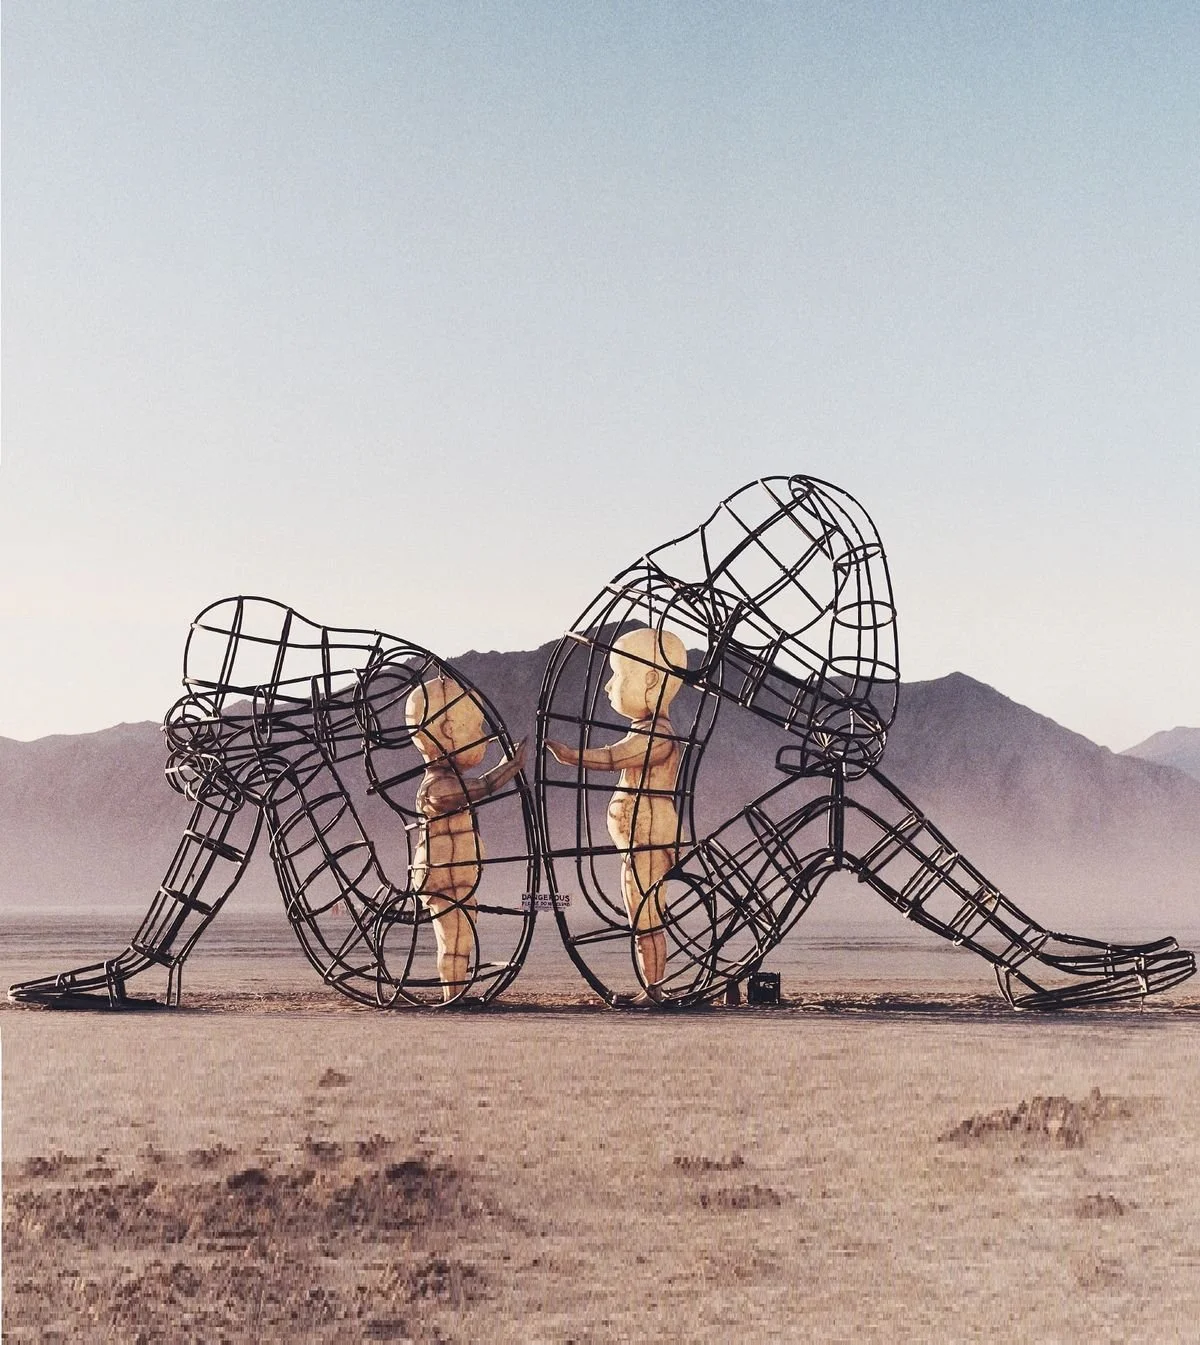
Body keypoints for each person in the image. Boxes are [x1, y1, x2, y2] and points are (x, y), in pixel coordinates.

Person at [546, 626, 686, 1003]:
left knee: (646, 916)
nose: (608, 687)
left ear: (652, 680)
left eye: (618, 676)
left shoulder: (657, 736)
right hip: (635, 842)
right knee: (640, 915)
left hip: (648, 839)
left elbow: (614, 757)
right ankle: (650, 987)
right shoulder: (643, 731)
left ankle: (653, 989)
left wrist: (573, 756)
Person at [406, 675, 526, 1001]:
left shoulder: (443, 781)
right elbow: (478, 789)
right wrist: (509, 767)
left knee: (461, 936)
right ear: (446, 731)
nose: (483, 738)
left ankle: (456, 990)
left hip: (457, 874)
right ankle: (452, 993)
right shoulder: (436, 787)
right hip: (440, 874)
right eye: (474, 729)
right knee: (454, 937)